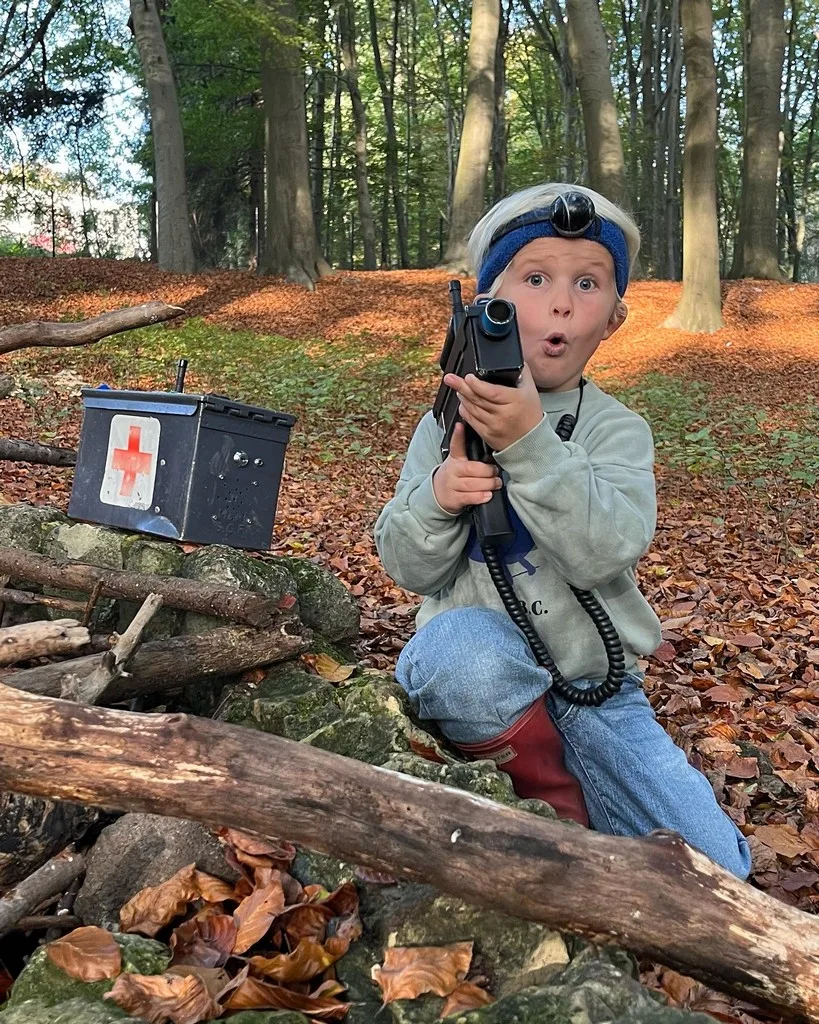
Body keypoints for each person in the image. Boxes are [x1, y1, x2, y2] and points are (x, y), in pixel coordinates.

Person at [374, 182, 751, 879]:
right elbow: (407, 566)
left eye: (586, 283)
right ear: (488, 303)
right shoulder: (442, 423)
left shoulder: (616, 430)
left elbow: (606, 548)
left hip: (596, 688)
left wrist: (527, 441)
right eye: (535, 277)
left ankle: (576, 807)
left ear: (612, 318)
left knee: (717, 869)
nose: (559, 302)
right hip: (482, 671)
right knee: (461, 659)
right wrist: (436, 498)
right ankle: (557, 811)